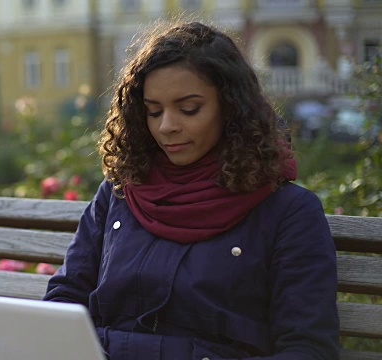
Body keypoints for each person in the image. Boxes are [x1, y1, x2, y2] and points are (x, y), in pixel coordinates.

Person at [43, 20, 339, 359]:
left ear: (231, 108)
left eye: (189, 109)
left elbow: (308, 347)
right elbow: (65, 298)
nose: (167, 126)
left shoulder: (288, 212)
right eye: (153, 111)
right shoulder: (120, 192)